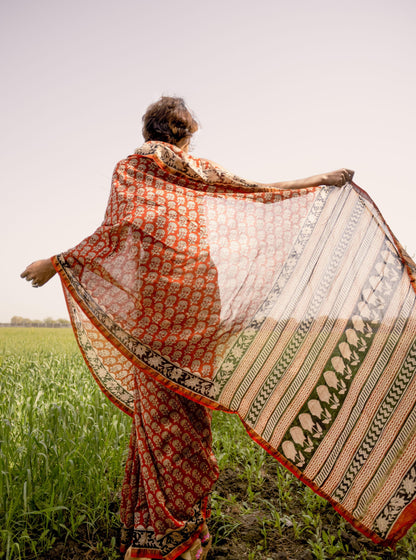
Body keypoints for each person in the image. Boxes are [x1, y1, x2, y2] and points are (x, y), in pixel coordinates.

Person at [21, 96, 354, 560]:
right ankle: (188, 528)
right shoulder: (194, 168)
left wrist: (56, 263)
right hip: (201, 296)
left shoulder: (131, 168)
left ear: (149, 131)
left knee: (159, 416)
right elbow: (256, 188)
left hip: (161, 301)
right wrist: (319, 179)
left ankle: (161, 533)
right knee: (190, 412)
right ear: (184, 133)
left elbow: (114, 233)